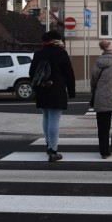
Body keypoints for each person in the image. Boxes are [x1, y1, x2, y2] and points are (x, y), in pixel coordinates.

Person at [29, 30, 76, 162]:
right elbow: (69, 74)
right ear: (57, 41)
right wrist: (71, 92)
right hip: (57, 90)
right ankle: (53, 150)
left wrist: (38, 87)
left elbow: (31, 73)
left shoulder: (38, 54)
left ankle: (48, 144)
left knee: (46, 117)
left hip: (43, 90)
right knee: (54, 119)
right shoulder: (62, 53)